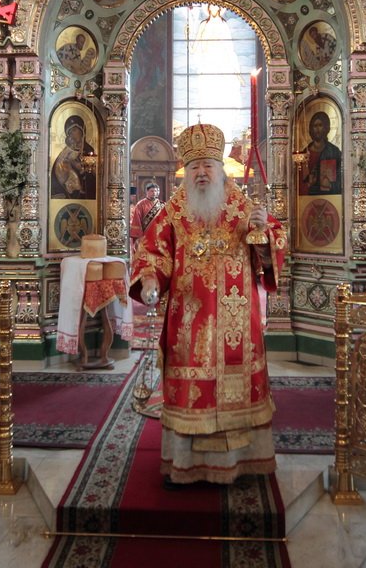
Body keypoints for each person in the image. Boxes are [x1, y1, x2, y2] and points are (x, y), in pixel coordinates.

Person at [129, 123, 287, 487]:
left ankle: (242, 463)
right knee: (190, 390)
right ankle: (185, 464)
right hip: (189, 320)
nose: (201, 172)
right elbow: (153, 251)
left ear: (220, 168)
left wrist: (263, 234)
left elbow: (272, 247)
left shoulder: (244, 206)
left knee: (237, 388)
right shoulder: (174, 210)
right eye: (195, 166)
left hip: (236, 320)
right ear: (187, 171)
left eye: (208, 165)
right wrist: (150, 279)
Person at [51, 114, 96, 200]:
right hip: (68, 189)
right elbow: (56, 171)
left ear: (82, 131)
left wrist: (82, 168)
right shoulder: (66, 151)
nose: (72, 134)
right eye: (70, 133)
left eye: (74, 130)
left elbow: (93, 172)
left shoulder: (88, 150)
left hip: (86, 193)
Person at [300, 110, 342, 195]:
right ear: (311, 129)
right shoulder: (304, 154)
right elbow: (298, 182)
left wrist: (330, 185)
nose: (317, 129)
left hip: (331, 198)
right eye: (315, 126)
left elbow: (342, 179)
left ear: (326, 128)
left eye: (320, 125)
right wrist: (308, 184)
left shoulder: (334, 152)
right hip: (308, 198)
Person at [130, 180, 163, 248]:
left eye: (156, 191)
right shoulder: (140, 204)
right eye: (152, 191)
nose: (154, 193)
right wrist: (139, 236)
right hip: (145, 235)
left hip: (159, 235)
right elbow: (137, 220)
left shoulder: (162, 204)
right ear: (147, 192)